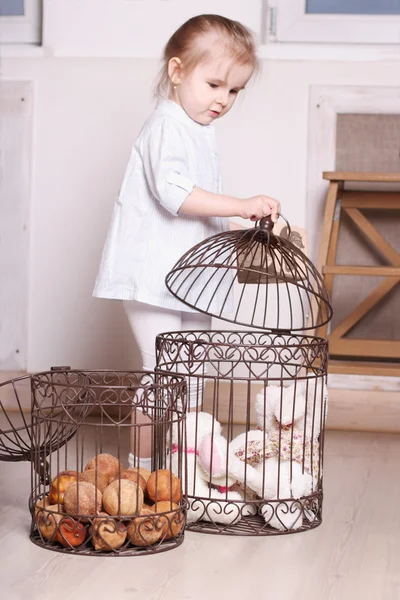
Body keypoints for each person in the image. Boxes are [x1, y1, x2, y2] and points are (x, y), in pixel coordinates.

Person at [93, 14, 281, 469]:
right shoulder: (167, 124)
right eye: (215, 84)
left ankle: (181, 467)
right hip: (151, 276)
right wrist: (240, 203)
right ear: (177, 72)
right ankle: (139, 472)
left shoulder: (198, 130)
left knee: (191, 379)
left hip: (187, 280)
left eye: (234, 90)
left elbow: (198, 208)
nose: (224, 100)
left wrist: (236, 226)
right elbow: (173, 194)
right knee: (164, 378)